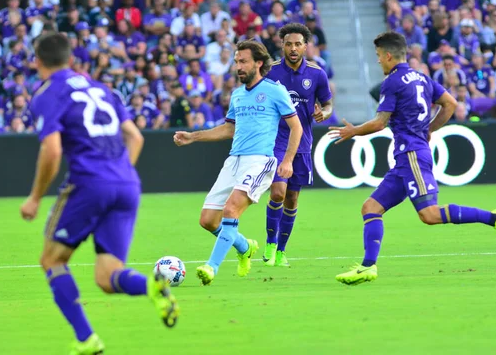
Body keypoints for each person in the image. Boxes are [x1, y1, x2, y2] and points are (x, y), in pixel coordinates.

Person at [19, 33, 179, 354]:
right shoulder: (101, 89)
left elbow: (51, 151)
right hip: (127, 184)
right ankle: (151, 285)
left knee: (52, 259)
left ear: (37, 61)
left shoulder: (47, 94)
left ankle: (86, 340)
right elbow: (135, 137)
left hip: (89, 183)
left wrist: (35, 197)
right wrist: (117, 174)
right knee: (107, 277)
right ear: (71, 59)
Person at [329, 31, 496, 286]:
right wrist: (429, 129)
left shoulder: (393, 81)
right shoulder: (422, 78)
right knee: (370, 208)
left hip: (412, 156)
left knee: (429, 215)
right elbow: (450, 103)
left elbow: (379, 123)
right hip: (406, 158)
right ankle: (367, 267)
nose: (377, 62)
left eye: (377, 56)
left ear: (387, 55)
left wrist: (353, 131)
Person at [173, 40, 303, 285]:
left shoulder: (275, 90)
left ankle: (211, 267)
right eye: (236, 62)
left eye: (243, 61)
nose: (238, 66)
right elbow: (229, 129)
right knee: (208, 220)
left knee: (231, 210)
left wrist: (288, 161)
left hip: (260, 161)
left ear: (258, 63)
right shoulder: (237, 95)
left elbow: (296, 127)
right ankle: (244, 247)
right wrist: (193, 136)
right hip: (234, 161)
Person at [262, 23, 333, 267]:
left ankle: (281, 251)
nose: (293, 48)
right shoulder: (270, 72)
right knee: (278, 192)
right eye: (289, 44)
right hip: (275, 141)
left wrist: (324, 112)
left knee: (292, 199)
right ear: (282, 45)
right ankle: (271, 243)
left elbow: (328, 104)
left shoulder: (317, 74)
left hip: (302, 143)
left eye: (298, 44)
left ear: (306, 46)